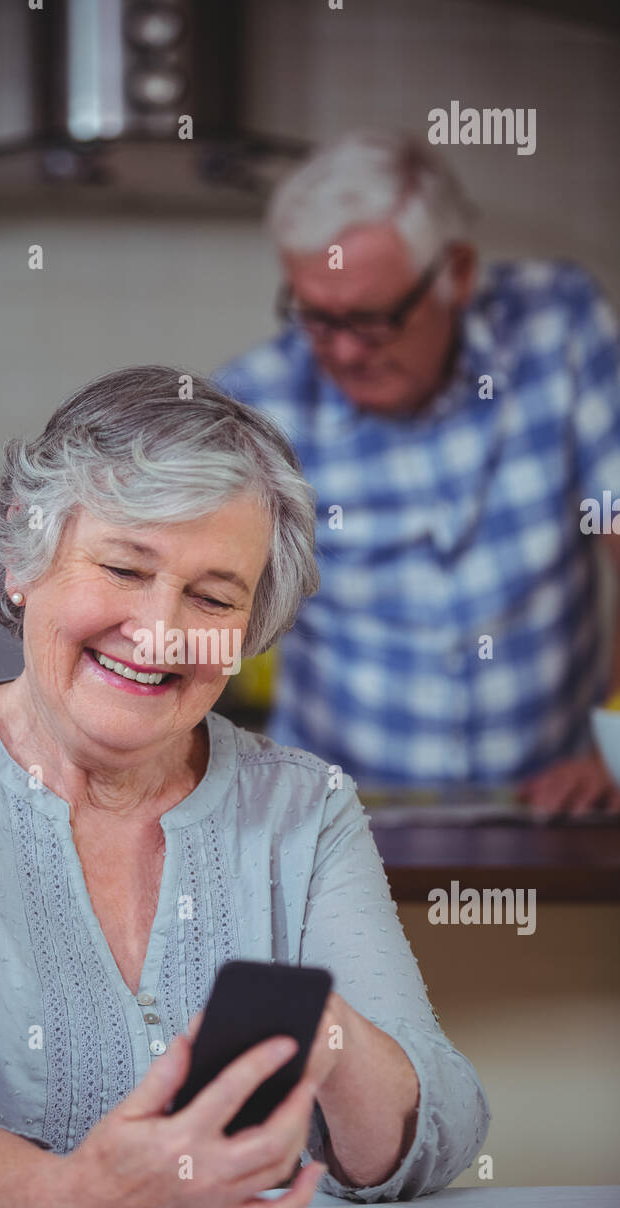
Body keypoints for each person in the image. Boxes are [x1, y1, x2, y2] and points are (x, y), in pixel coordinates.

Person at [0, 366, 489, 1208]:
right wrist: (80, 1199)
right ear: (22, 555)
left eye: (212, 596)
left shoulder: (305, 806)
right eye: (125, 566)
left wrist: (334, 1040)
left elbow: (444, 1131)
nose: (161, 632)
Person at [213, 130, 620, 814]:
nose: (342, 352)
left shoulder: (562, 324)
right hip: (336, 813)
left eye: (372, 319)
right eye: (316, 318)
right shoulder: (257, 400)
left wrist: (618, 743)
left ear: (456, 274)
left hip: (551, 809)